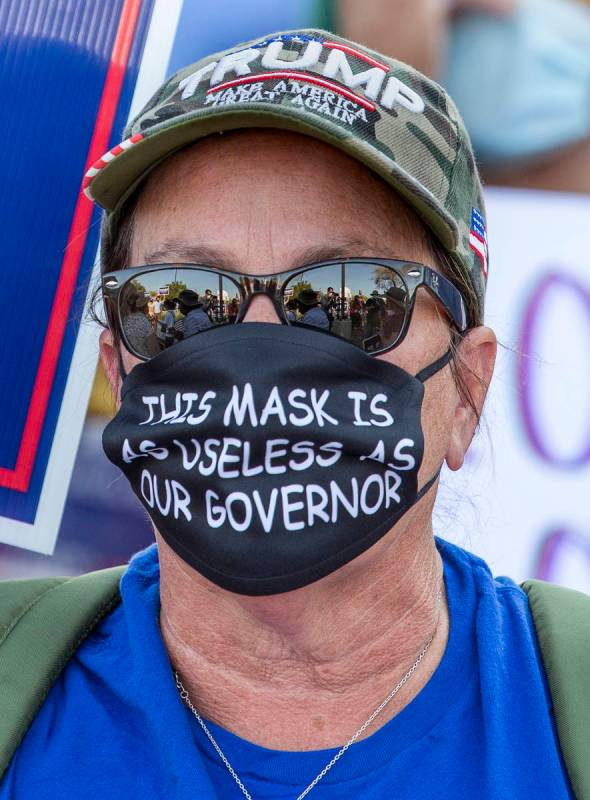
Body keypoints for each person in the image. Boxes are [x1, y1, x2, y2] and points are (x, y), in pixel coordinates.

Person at [1, 29, 576, 799]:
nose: (257, 349)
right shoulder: (19, 690)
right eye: (183, 302)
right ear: (118, 366)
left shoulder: (565, 708)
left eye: (349, 301)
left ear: (468, 390)